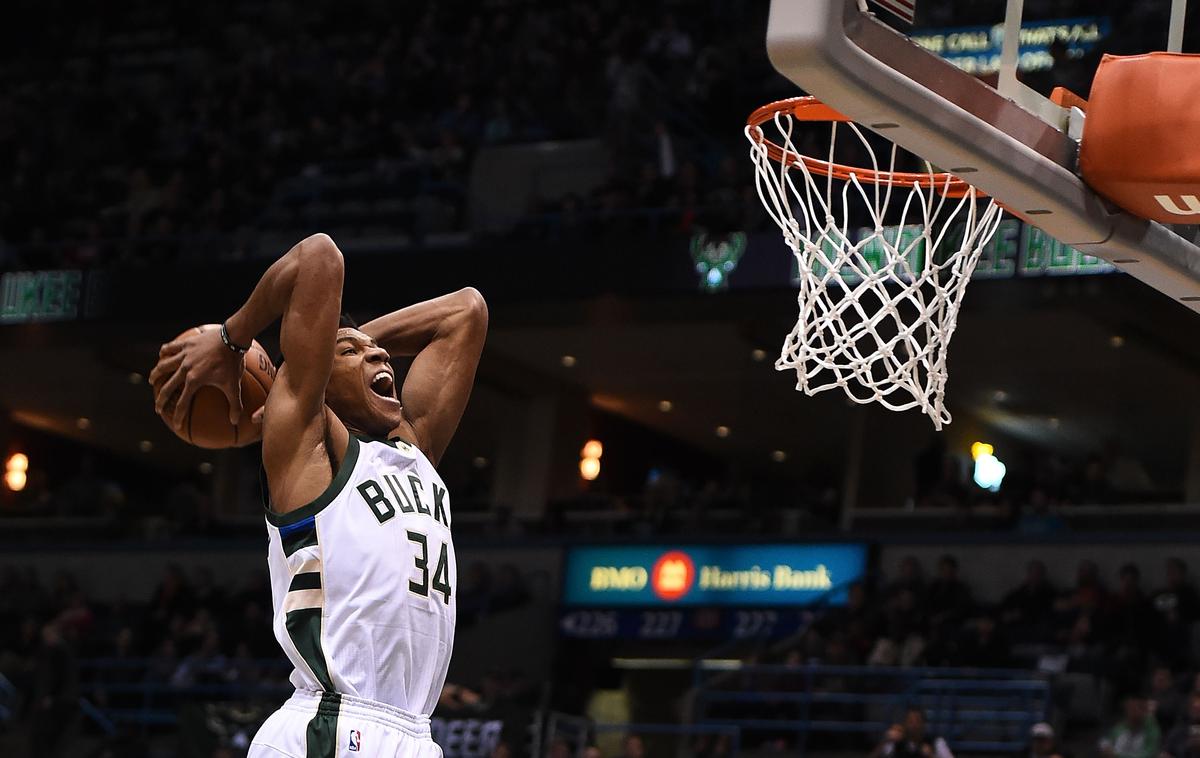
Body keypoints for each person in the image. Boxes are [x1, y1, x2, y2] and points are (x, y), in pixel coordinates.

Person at [151, 233, 487, 758]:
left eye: (379, 352)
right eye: (355, 351)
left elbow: (466, 312)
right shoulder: (306, 451)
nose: (380, 354)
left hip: (414, 733)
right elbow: (319, 256)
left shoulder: (413, 449)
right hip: (329, 727)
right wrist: (233, 337)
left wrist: (348, 343)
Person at [869, 707, 954, 758]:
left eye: (917, 721)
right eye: (910, 721)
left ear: (923, 724)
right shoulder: (895, 743)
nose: (914, 725)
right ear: (904, 724)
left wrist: (931, 755)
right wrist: (884, 741)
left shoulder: (937, 742)